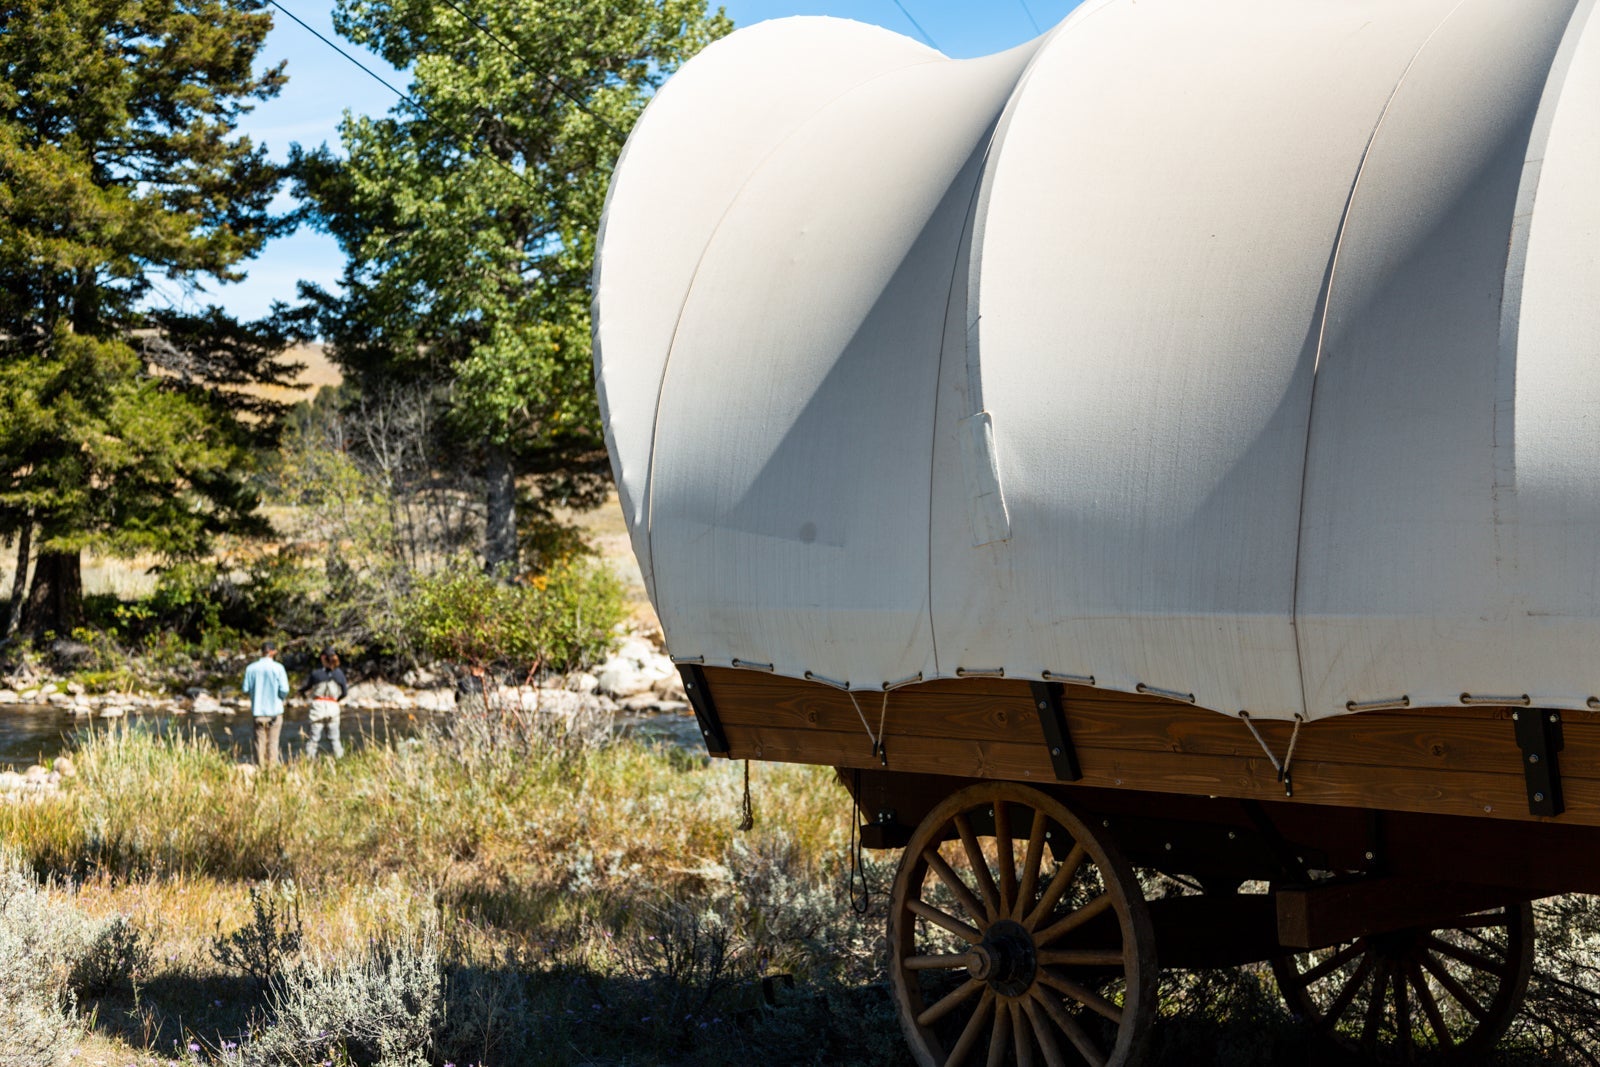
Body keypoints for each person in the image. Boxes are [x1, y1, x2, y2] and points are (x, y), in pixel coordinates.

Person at [241, 640, 289, 766]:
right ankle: (272, 770)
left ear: (262, 652)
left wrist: (254, 694)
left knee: (259, 743)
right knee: (273, 742)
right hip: (275, 711)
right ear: (273, 652)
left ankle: (260, 768)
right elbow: (284, 690)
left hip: (258, 711)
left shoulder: (251, 668)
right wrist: (279, 697)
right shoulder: (279, 668)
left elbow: (245, 689)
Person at [301, 646, 349, 759]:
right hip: (333, 706)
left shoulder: (316, 674)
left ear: (323, 657)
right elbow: (345, 693)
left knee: (313, 739)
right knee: (334, 739)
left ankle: (308, 762)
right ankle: (339, 760)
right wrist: (337, 700)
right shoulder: (339, 674)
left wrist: (302, 694)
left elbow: (306, 687)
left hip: (318, 707)